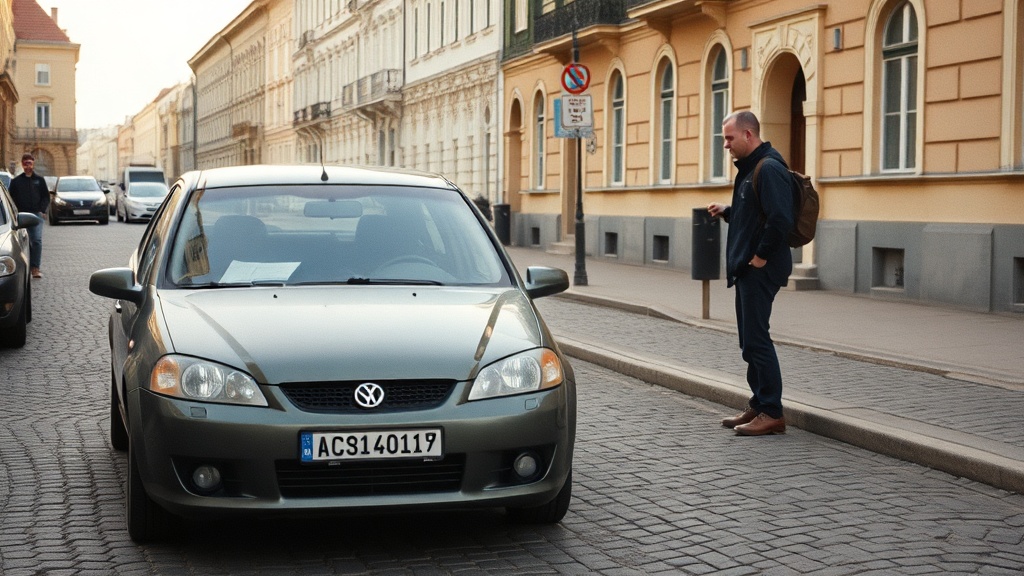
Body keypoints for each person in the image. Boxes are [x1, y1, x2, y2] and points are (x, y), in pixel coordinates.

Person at [708, 111, 794, 436]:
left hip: (760, 268)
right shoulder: (750, 170)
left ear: (748, 135)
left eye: (730, 138)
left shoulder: (768, 168)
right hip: (747, 268)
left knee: (757, 340)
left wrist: (759, 258)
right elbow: (754, 213)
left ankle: (772, 412)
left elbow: (780, 220)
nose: (726, 145)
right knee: (748, 342)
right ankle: (758, 404)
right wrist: (727, 211)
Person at [9, 153, 50, 278]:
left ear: (33, 164)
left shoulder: (40, 180)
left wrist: (42, 210)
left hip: (36, 216)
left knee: (36, 241)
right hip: (21, 216)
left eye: (30, 163)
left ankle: (35, 269)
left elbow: (45, 197)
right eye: (26, 163)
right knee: (20, 243)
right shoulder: (16, 181)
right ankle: (20, 269)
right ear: (22, 164)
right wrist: (15, 213)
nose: (28, 166)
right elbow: (11, 198)